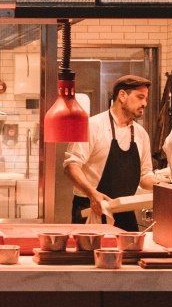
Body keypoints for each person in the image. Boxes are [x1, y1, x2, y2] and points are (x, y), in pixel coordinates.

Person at [62, 74, 152, 231]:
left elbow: (145, 177)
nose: (144, 103)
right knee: (89, 256)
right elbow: (71, 165)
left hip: (124, 210)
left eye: (145, 99)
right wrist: (92, 194)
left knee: (131, 254)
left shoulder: (141, 134)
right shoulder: (93, 126)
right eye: (140, 97)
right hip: (92, 208)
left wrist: (167, 186)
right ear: (122, 95)